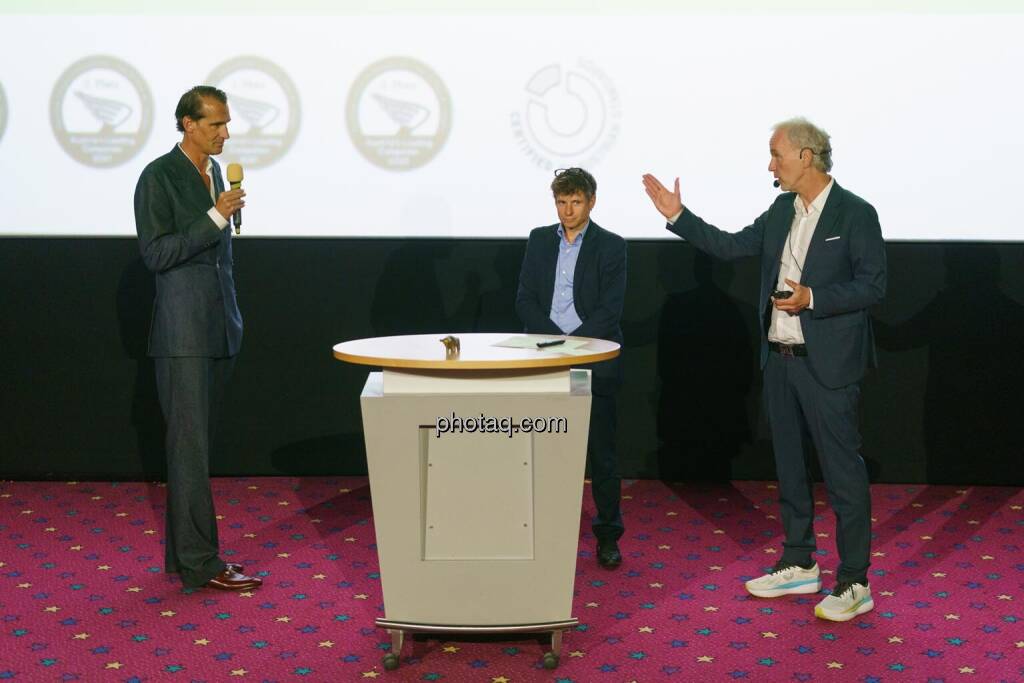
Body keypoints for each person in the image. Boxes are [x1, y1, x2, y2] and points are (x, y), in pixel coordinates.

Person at [642, 118, 886, 621]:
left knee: (842, 474)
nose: (770, 165)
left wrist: (812, 297)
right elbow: (731, 246)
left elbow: (873, 285)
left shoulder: (856, 213)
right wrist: (678, 216)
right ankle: (799, 561)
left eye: (776, 155)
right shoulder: (780, 209)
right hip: (780, 360)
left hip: (828, 366)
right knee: (790, 468)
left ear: (806, 156)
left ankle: (854, 580)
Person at [133, 85, 259, 591]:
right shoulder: (158, 176)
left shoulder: (214, 174)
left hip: (219, 329)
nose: (225, 133)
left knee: (197, 450)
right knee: (188, 452)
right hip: (183, 335)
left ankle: (187, 557)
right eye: (215, 124)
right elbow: (157, 254)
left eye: (227, 124)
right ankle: (202, 563)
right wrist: (215, 217)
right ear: (188, 123)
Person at [516, 167, 628, 569]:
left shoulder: (612, 246)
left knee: (601, 455)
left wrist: (573, 346)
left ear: (591, 202)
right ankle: (541, 534)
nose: (568, 210)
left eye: (576, 202)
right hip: (545, 358)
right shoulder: (538, 240)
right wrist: (554, 344)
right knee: (542, 451)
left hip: (592, 357)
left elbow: (610, 311)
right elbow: (525, 300)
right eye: (562, 202)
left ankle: (608, 536)